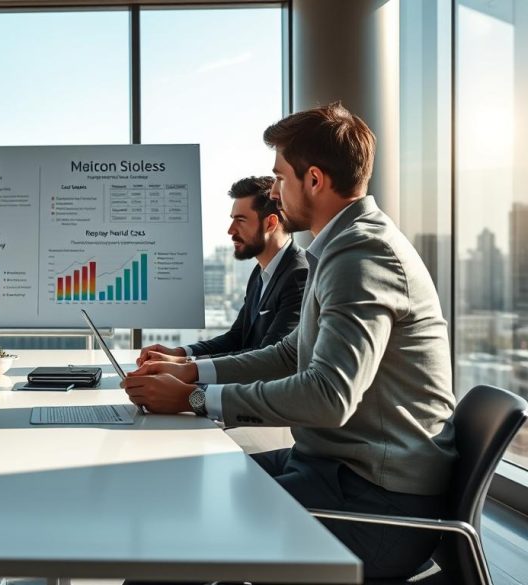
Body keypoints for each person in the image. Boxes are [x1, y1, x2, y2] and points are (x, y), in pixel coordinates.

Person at [123, 103, 456, 579]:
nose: (274, 192)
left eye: (280, 177)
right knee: (180, 489)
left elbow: (329, 396)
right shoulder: (343, 246)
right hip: (331, 469)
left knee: (173, 532)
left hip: (376, 507)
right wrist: (192, 372)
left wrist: (196, 399)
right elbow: (288, 353)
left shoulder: (363, 255)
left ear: (315, 179)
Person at [137, 176, 307, 364]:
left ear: (270, 224)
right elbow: (236, 338)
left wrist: (186, 365)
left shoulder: (298, 276)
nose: (230, 230)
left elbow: (267, 359)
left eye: (240, 220)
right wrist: (179, 352)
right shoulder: (260, 273)